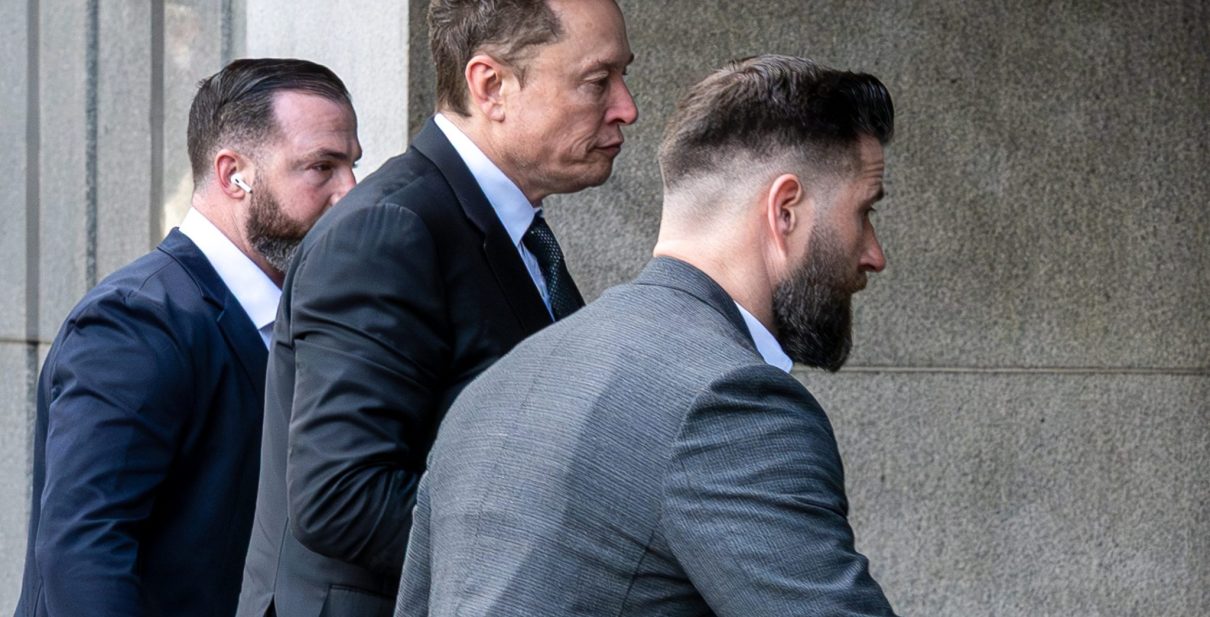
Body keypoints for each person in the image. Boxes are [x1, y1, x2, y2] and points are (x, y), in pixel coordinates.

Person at [395, 54, 900, 616]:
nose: (873, 254)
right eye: (864, 212)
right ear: (785, 211)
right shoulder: (730, 404)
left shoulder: (496, 388)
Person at [236, 1, 637, 616]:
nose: (625, 107)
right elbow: (340, 497)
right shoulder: (387, 229)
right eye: (597, 80)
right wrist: (563, 559)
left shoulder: (503, 229)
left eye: (622, 76)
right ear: (491, 86)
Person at [14, 58, 361, 617]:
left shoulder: (307, 316)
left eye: (351, 165)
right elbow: (83, 557)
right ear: (233, 174)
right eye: (322, 167)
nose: (351, 192)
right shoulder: (134, 323)